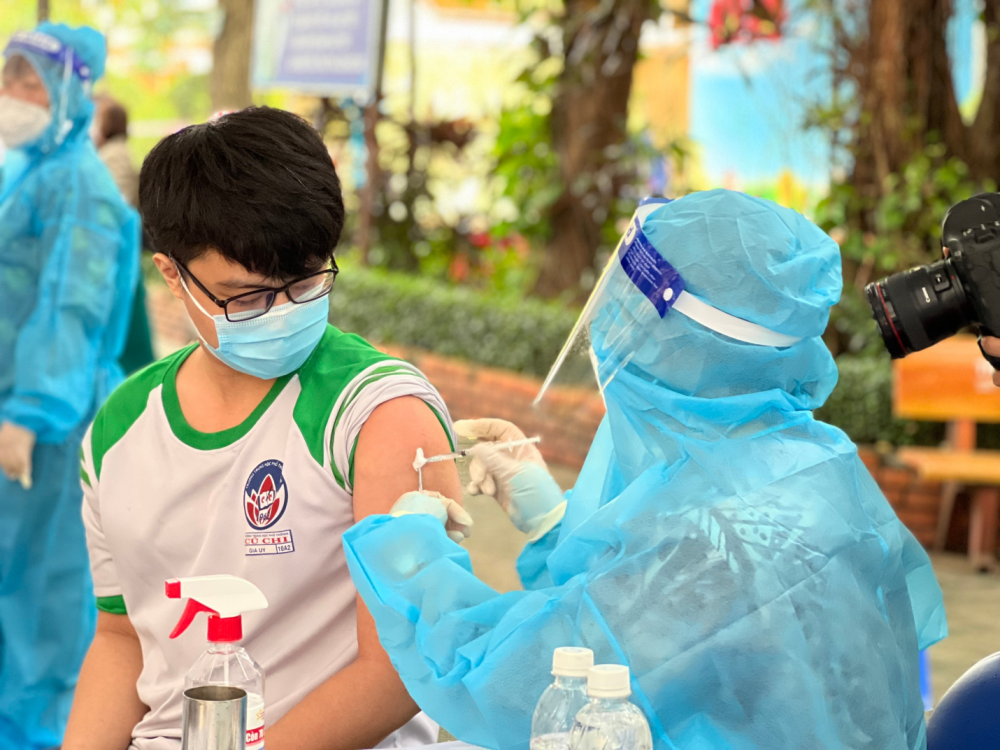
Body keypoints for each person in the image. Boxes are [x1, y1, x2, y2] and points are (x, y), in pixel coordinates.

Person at [343, 190, 949, 750]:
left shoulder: (710, 546)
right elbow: (643, 613)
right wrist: (553, 521)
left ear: (683, 344)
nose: (610, 329)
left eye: (630, 312)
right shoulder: (815, 462)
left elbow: (524, 685)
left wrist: (410, 561)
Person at [65, 106, 469, 750]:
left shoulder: (379, 414)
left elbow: (402, 668)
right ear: (171, 274)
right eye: (246, 298)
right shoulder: (121, 427)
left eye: (306, 282)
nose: (281, 313)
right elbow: (121, 636)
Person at [0, 24, 140, 750]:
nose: (13, 93)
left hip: (49, 426)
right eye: (8, 76)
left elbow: (68, 308)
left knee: (43, 598)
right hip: (16, 407)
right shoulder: (24, 168)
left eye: (31, 80)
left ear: (71, 91)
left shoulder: (80, 186)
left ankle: (40, 736)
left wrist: (31, 413)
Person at [90, 92, 155, 375]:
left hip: (115, 257)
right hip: (114, 257)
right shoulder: (110, 153)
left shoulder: (113, 156)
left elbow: (113, 207)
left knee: (127, 336)